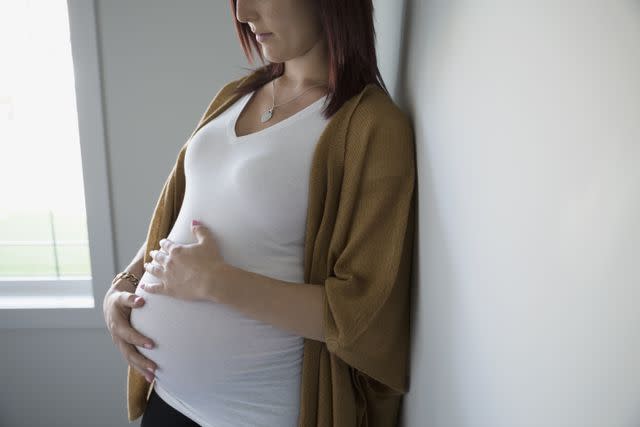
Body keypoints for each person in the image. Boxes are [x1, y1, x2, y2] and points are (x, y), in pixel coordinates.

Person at [103, 0, 416, 426]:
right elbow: (181, 216)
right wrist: (122, 286)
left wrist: (219, 283)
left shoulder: (371, 128)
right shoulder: (236, 95)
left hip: (255, 414)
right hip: (167, 399)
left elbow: (363, 313)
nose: (243, 13)